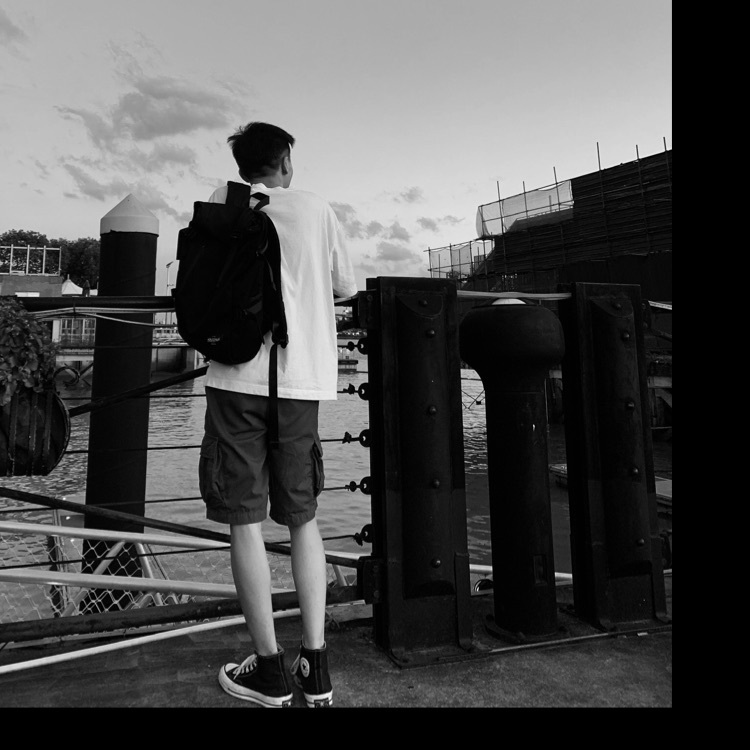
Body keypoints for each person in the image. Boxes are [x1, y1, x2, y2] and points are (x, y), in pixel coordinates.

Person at [198, 122, 358, 707]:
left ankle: (268, 670)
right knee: (302, 518)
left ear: (242, 167)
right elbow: (345, 286)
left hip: (234, 377)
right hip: (299, 381)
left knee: (244, 521)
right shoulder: (317, 209)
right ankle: (315, 666)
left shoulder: (222, 201)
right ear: (286, 159)